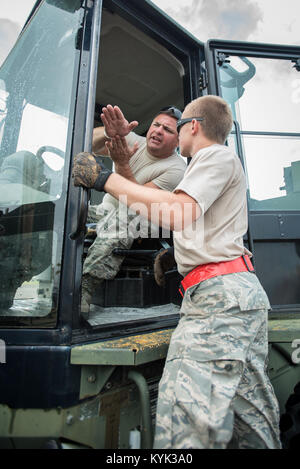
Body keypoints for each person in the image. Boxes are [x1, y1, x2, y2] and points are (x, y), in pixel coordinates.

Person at [72, 95, 281, 449]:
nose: (173, 133)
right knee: (251, 422)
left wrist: (103, 179)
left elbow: (176, 212)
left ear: (193, 126)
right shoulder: (218, 164)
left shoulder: (211, 156)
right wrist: (176, 254)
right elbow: (205, 224)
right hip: (235, 296)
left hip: (217, 306)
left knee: (184, 428)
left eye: (178, 126)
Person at [80, 104, 186, 314]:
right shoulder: (134, 140)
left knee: (128, 214)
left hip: (147, 221)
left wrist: (121, 164)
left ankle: (83, 290)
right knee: (70, 210)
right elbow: (87, 144)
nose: (158, 131)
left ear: (178, 141)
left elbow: (137, 200)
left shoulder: (176, 169)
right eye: (156, 125)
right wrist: (110, 133)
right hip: (107, 212)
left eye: (167, 130)